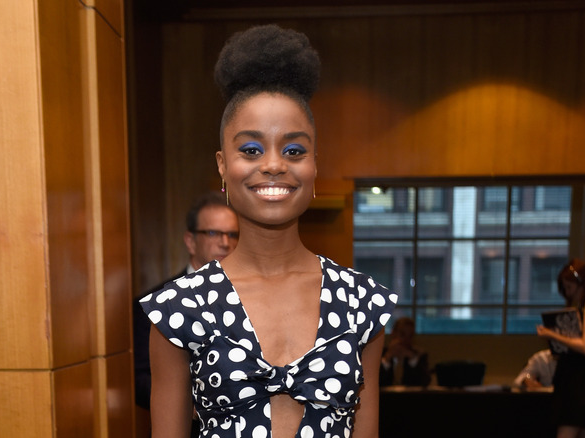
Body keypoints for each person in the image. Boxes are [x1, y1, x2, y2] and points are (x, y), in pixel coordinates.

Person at [140, 24, 397, 438]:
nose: (274, 164)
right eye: (251, 149)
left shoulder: (362, 302)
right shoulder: (178, 309)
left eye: (294, 150)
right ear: (223, 165)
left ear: (315, 166)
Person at [132, 191, 238, 413]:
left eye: (233, 234)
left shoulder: (253, 298)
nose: (225, 243)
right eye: (213, 233)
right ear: (190, 242)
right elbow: (139, 381)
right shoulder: (157, 304)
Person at [536, 259, 585, 438]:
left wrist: (553, 334)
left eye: (569, 288)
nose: (567, 294)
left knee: (570, 426)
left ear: (580, 284)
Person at [379, 317, 430, 387]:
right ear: (393, 333)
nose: (406, 340)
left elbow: (425, 382)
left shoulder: (420, 356)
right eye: (402, 334)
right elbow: (373, 382)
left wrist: (412, 359)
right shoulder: (379, 355)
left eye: (410, 336)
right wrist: (387, 359)